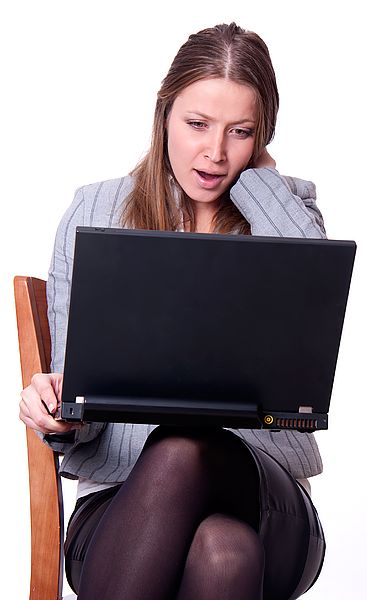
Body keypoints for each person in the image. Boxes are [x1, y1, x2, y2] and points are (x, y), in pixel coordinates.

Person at [19, 22, 327, 600]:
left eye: (240, 132)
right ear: (163, 115)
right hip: (122, 512)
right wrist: (58, 409)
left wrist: (258, 183)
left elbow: (312, 289)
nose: (214, 154)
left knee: (185, 445)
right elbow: (79, 405)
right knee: (221, 553)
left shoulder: (286, 207)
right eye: (197, 125)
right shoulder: (98, 211)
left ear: (262, 138)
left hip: (268, 503)